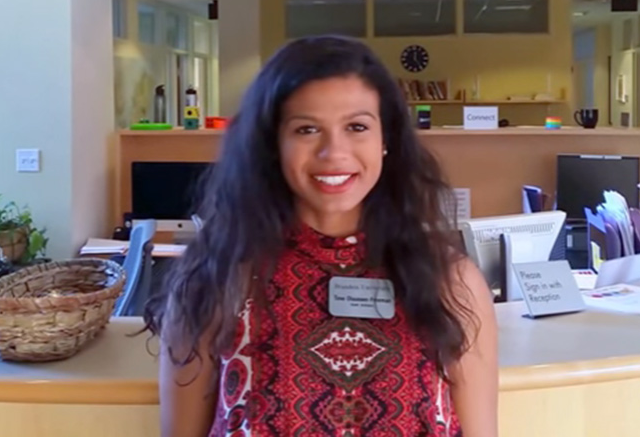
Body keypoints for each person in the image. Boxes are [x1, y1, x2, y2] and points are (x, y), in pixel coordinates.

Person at [144, 35, 498, 436]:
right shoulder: (217, 275)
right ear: (273, 144)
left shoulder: (449, 279)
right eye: (307, 129)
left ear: (386, 141)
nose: (334, 152)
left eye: (357, 127)